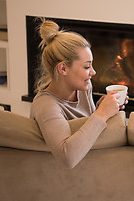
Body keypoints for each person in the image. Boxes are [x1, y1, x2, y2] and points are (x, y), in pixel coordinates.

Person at [30, 19, 126, 169]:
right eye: (87, 66)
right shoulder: (46, 105)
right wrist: (101, 114)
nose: (93, 72)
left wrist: (104, 107)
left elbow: (85, 128)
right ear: (63, 69)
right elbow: (68, 157)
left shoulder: (83, 89)